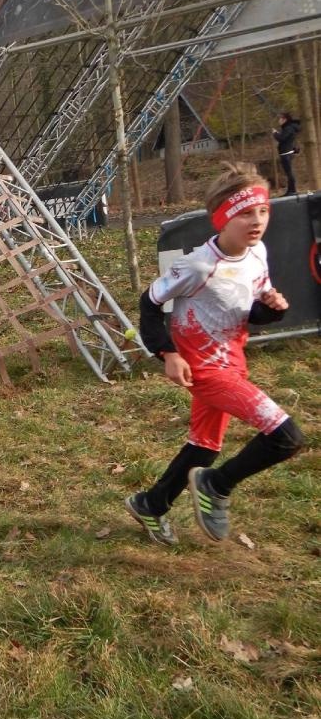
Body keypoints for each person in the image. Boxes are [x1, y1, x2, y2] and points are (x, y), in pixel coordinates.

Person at [125, 162, 306, 547]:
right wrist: (167, 353)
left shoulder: (258, 253)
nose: (256, 221)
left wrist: (273, 309)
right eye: (244, 214)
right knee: (286, 436)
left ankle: (151, 504)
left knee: (204, 447)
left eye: (263, 211)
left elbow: (251, 312)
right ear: (222, 218)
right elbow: (150, 303)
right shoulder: (199, 265)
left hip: (234, 361)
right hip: (205, 369)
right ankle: (218, 486)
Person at [272, 111, 300, 196]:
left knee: (289, 173)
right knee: (289, 173)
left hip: (286, 154)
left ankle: (292, 190)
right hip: (286, 153)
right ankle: (291, 190)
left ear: (284, 119)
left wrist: (275, 133)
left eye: (280, 119)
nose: (279, 120)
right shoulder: (287, 128)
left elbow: (282, 139)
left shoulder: (288, 128)